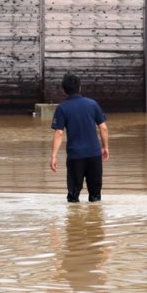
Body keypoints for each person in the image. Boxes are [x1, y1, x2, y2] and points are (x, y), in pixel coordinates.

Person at [50, 73, 110, 203]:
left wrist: (54, 156)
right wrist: (105, 147)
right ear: (80, 88)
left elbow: (59, 133)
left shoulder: (62, 108)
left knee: (73, 196)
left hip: (75, 156)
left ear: (64, 90)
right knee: (95, 196)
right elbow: (103, 128)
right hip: (94, 155)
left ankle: (74, 222)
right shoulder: (92, 104)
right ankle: (95, 221)